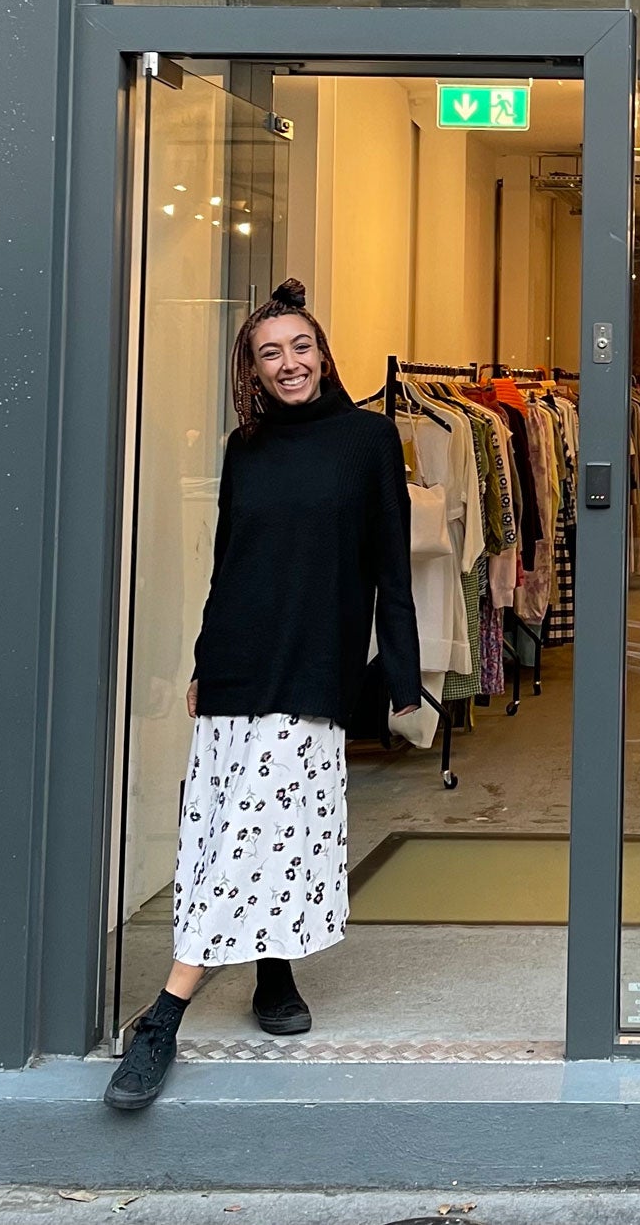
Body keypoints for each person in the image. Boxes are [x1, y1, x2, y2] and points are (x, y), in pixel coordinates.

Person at [104, 279, 421, 1110]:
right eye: (270, 353)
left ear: (324, 352)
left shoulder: (368, 439)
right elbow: (229, 559)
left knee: (261, 815)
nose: (290, 365)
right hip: (242, 657)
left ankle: (162, 1017)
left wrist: (401, 669)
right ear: (251, 369)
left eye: (301, 347)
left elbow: (392, 561)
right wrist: (208, 659)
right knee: (228, 819)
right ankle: (271, 975)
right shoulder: (244, 446)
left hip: (313, 659)